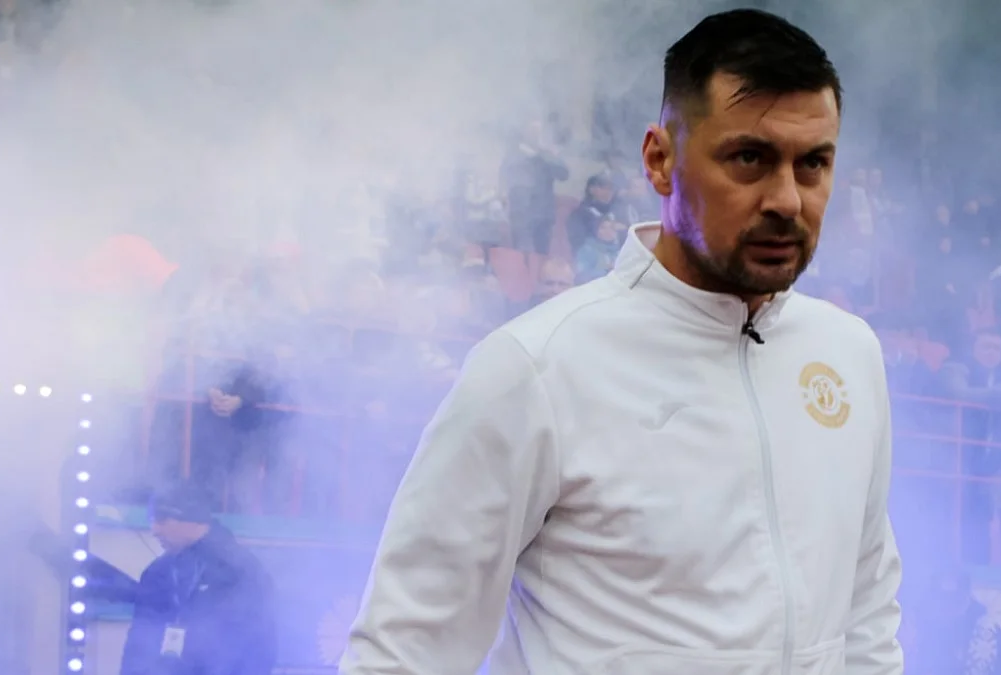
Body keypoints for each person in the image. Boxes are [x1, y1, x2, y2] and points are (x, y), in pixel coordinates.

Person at [341, 9, 902, 675]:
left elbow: (867, 615)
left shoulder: (848, 354)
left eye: (813, 164)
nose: (787, 199)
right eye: (749, 158)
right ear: (660, 160)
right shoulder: (536, 368)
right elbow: (405, 652)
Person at [121, 486, 277, 675]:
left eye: (162, 520)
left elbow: (260, 645)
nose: (154, 530)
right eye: (152, 521)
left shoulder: (240, 569)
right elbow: (139, 639)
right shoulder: (158, 572)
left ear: (191, 519)